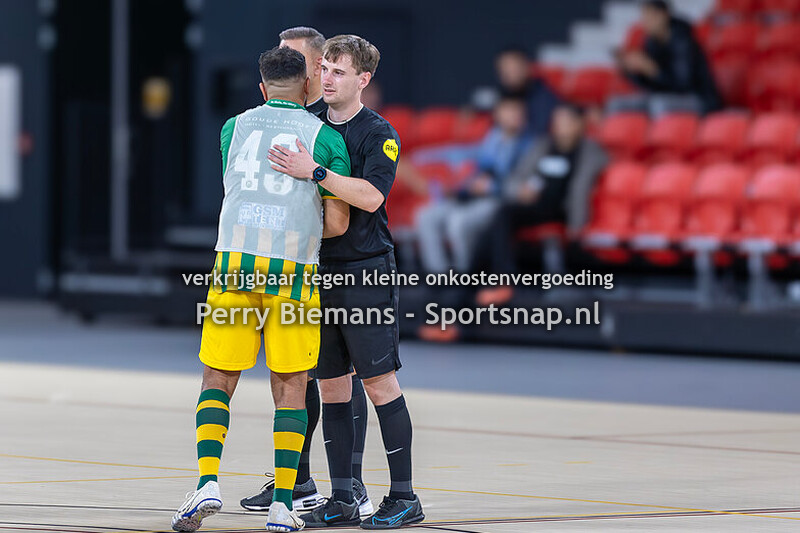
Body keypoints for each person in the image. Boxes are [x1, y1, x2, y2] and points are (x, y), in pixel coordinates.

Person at [170, 46, 351, 533]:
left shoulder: (234, 128)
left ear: (261, 87)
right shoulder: (326, 137)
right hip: (291, 274)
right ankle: (283, 504)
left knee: (218, 375)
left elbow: (236, 189)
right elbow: (336, 222)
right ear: (310, 87)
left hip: (234, 267)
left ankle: (208, 481)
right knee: (291, 385)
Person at [268, 34, 425, 529]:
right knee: (332, 385)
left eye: (339, 71)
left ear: (363, 80)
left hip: (364, 271)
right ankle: (343, 497)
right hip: (316, 269)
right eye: (326, 69)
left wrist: (315, 172)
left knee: (379, 382)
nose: (329, 78)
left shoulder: (378, 132)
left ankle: (404, 496)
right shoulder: (309, 125)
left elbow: (372, 197)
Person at [240, 26, 373, 519]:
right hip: (300, 262)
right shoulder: (281, 121)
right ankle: (297, 479)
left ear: (317, 67)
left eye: (294, 57)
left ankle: (348, 483)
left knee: (342, 376)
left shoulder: (335, 126)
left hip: (344, 262)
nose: (284, 62)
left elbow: (356, 202)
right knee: (301, 373)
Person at [476, 104, 608, 306]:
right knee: (494, 221)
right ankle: (493, 284)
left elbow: (581, 191)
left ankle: (480, 289)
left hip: (563, 212)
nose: (559, 126)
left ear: (580, 124)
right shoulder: (543, 146)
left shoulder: (591, 152)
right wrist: (521, 190)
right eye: (556, 121)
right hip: (536, 206)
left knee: (496, 222)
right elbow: (516, 179)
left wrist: (577, 228)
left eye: (565, 121)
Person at [415, 95, 532, 274]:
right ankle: (439, 276)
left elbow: (520, 183)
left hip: (498, 200)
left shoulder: (529, 145)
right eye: (509, 110)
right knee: (426, 216)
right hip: (471, 196)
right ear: (498, 114)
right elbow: (462, 155)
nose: (514, 116)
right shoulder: (492, 138)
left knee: (458, 222)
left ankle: (467, 276)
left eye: (518, 111)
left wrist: (491, 186)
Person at [609, 0, 722, 116]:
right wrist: (631, 70)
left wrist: (653, 70)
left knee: (659, 104)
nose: (646, 22)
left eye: (650, 16)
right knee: (618, 104)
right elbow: (650, 86)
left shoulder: (683, 41)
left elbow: (683, 86)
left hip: (698, 99)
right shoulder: (651, 42)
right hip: (663, 97)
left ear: (663, 15)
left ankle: (662, 134)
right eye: (644, 17)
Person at [473, 46, 560, 137]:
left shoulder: (545, 99)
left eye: (514, 68)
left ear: (528, 67)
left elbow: (542, 135)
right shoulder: (499, 97)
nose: (510, 73)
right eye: (504, 69)